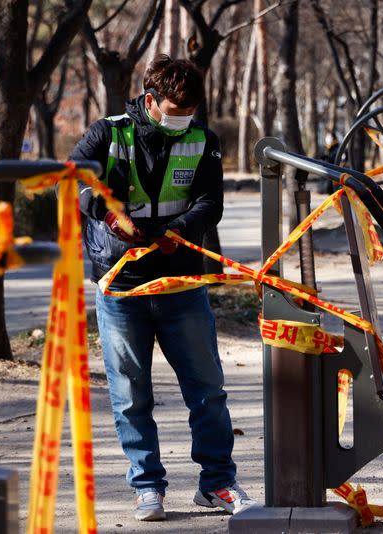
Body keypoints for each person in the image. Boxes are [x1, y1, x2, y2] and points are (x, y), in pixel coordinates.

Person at [70, 55, 256, 522]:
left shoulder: (202, 140)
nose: (182, 119)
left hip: (180, 284)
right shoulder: (108, 133)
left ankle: (217, 483)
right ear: (150, 100)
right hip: (120, 288)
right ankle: (147, 487)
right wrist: (110, 215)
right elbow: (75, 180)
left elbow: (210, 202)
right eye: (175, 109)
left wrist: (181, 229)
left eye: (190, 110)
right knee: (131, 396)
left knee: (208, 390)